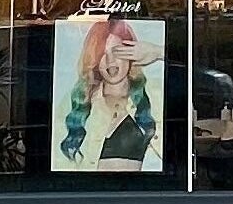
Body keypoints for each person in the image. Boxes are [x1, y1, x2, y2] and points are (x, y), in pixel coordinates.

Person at [57, 17, 163, 172]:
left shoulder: (156, 94)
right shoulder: (77, 102)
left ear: (132, 53)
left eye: (117, 51)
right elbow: (58, 162)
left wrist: (158, 51)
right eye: (101, 54)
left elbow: (195, 67)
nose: (110, 61)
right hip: (92, 194)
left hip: (143, 193)